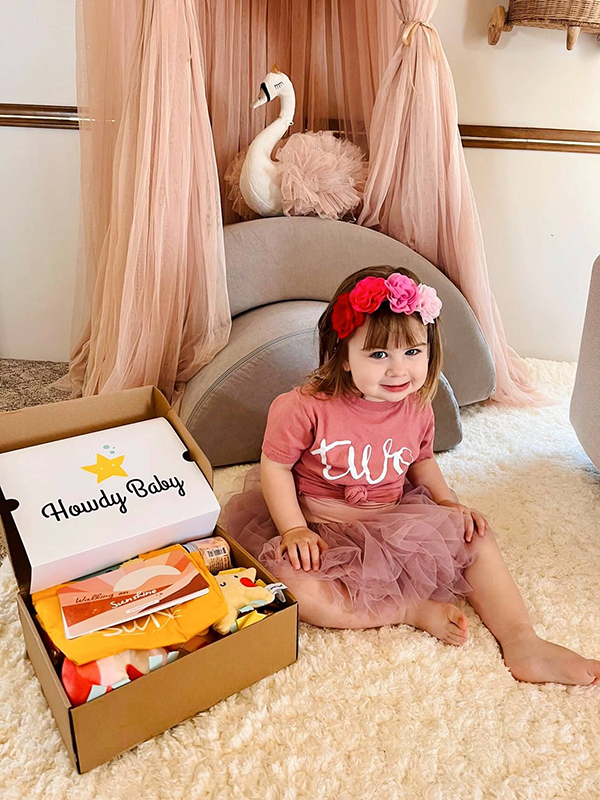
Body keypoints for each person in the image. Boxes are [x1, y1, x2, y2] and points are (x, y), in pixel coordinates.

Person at [222, 265, 600, 686]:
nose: (398, 370)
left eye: (412, 352)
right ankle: (406, 610)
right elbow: (274, 467)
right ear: (343, 356)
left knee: (474, 534)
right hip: (321, 523)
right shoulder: (303, 407)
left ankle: (522, 640)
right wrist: (293, 530)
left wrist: (446, 503)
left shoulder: (416, 406)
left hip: (394, 518)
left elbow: (421, 462)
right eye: (379, 355)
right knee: (294, 587)